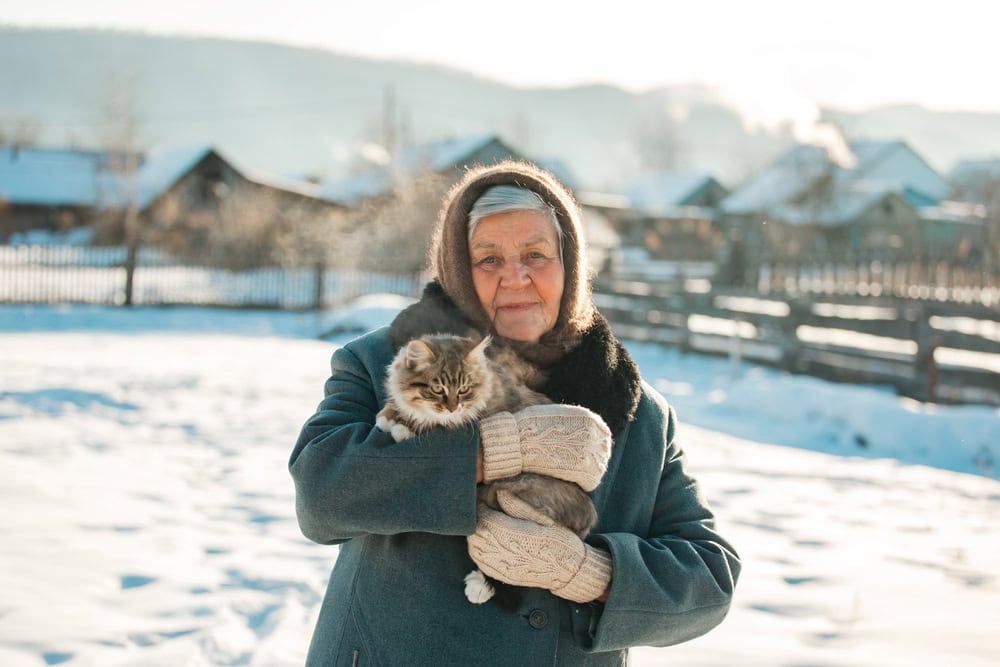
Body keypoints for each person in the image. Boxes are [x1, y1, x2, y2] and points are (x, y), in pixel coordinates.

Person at [289, 160, 740, 666]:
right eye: (488, 259)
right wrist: (490, 454)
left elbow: (708, 578)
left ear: (570, 266)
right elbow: (320, 493)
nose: (516, 277)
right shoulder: (384, 361)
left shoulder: (639, 410)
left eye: (535, 255)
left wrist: (589, 574)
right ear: (459, 271)